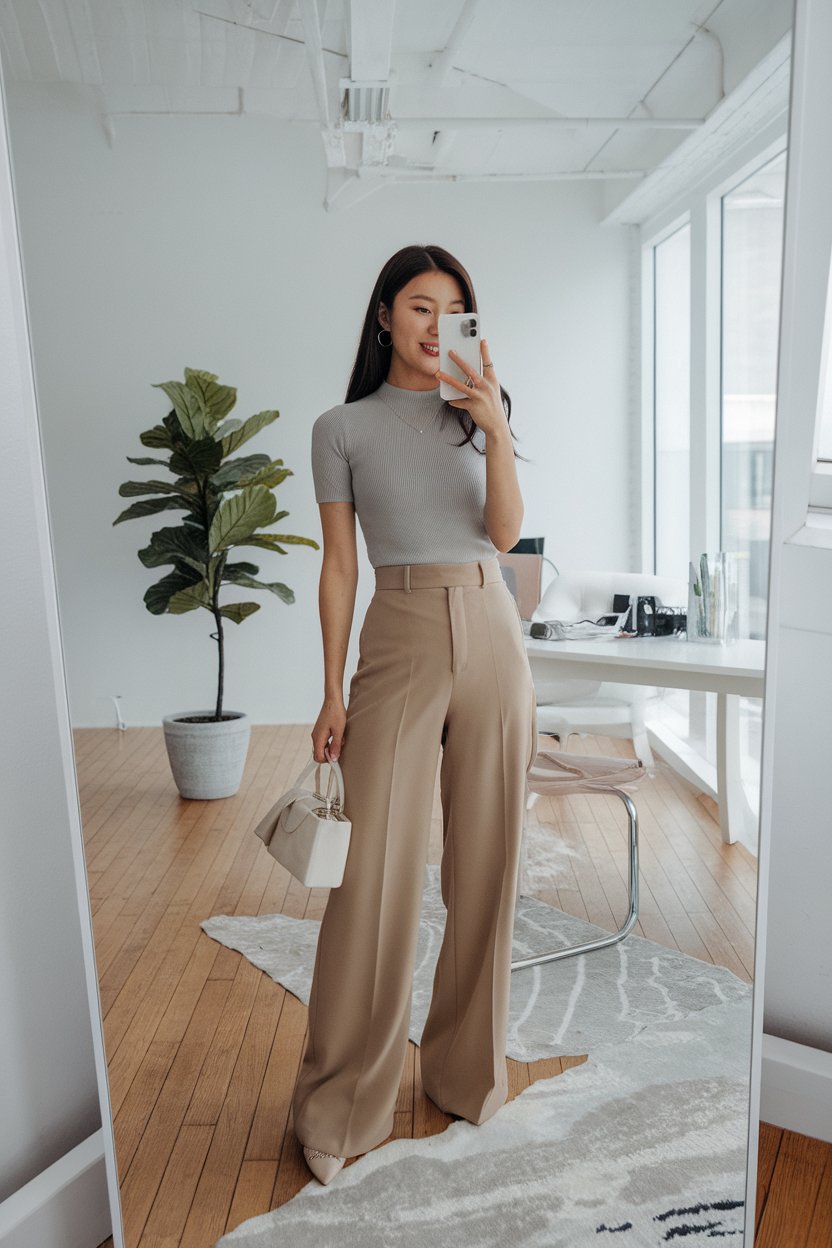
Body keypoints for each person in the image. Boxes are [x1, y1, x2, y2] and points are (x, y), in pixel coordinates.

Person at [292, 243, 539, 1185]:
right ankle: (340, 1103)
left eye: (455, 310)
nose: (438, 327)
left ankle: (466, 1074)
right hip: (396, 632)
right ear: (385, 316)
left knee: (489, 863)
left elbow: (507, 535)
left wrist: (496, 427)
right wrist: (327, 688)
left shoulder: (481, 414)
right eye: (422, 308)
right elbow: (339, 566)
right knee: (374, 877)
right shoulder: (341, 428)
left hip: (491, 624)